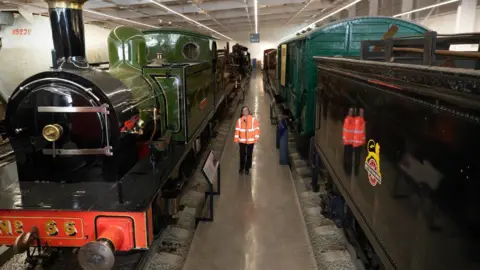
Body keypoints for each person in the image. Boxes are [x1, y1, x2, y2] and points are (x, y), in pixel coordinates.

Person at [234, 106, 260, 174]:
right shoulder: (239, 121)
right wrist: (236, 140)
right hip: (242, 141)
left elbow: (257, 129)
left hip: (250, 141)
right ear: (242, 112)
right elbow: (237, 131)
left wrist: (256, 138)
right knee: (242, 155)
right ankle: (241, 168)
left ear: (248, 112)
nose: (245, 112)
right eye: (244, 111)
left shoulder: (253, 120)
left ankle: (247, 168)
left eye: (246, 110)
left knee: (249, 155)